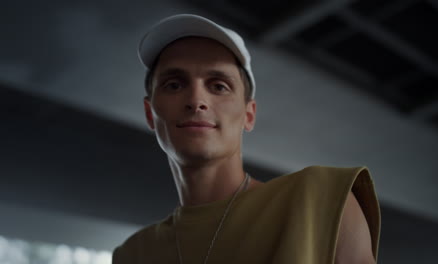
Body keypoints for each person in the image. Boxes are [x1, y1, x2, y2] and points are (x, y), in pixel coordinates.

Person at [112, 14, 380, 264]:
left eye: (218, 86)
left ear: (248, 115)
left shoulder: (321, 199)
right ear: (150, 113)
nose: (196, 100)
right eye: (174, 84)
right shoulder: (133, 254)